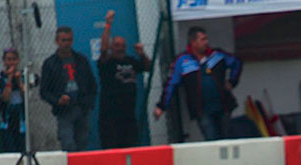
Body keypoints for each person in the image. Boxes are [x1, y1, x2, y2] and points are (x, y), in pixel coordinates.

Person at [154, 26, 242, 141]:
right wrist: (162, 106)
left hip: (223, 106)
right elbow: (171, 84)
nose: (207, 42)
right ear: (193, 42)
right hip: (202, 110)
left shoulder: (217, 55)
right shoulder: (182, 61)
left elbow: (237, 63)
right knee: (211, 140)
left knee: (227, 139)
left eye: (206, 39)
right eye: (203, 39)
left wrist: (232, 82)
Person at [98, 10, 150, 148]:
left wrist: (142, 54)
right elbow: (103, 49)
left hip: (129, 115)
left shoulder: (131, 61)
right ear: (111, 47)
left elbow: (147, 67)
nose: (120, 49)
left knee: (131, 147)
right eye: (116, 45)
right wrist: (108, 25)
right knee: (112, 148)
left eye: (122, 46)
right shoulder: (107, 63)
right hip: (110, 116)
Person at [40, 26, 97, 152]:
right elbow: (44, 91)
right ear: (57, 41)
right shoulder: (50, 63)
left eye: (69, 40)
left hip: (81, 107)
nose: (66, 44)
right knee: (68, 143)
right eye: (63, 40)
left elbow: (92, 84)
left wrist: (88, 102)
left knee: (82, 141)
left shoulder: (81, 60)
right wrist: (57, 100)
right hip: (64, 110)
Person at [0, 47, 26, 152]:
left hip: (20, 121)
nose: (11, 62)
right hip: (6, 121)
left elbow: (26, 95)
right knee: (9, 150)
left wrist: (19, 81)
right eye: (9, 59)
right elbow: (5, 97)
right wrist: (10, 78)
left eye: (14, 59)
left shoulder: (23, 76)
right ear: (4, 61)